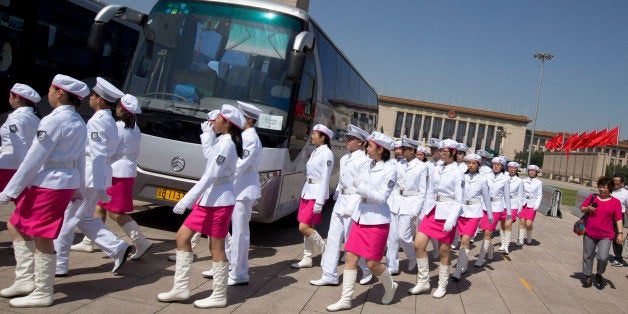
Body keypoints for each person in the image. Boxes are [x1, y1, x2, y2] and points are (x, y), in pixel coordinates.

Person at [0, 74, 89, 307]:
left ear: (59, 93)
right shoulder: (78, 121)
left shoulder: (54, 120)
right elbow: (80, 158)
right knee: (15, 225)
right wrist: (78, 188)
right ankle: (25, 280)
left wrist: (10, 190)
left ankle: (42, 291)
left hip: (50, 182)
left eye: (50, 89)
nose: (46, 94)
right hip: (58, 181)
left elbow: (33, 158)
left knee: (42, 237)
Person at [158, 104, 245, 308]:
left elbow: (210, 175)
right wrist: (207, 137)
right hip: (210, 199)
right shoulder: (223, 140)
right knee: (182, 237)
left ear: (227, 123)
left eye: (218, 119)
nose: (214, 121)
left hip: (219, 202)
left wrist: (186, 200)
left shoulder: (226, 144)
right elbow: (210, 160)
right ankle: (180, 288)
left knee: (216, 248)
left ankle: (219, 295)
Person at [53, 77, 131, 277]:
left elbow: (96, 155)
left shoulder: (98, 121)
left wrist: (98, 186)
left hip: (90, 175)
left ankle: (59, 264)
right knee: (84, 217)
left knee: (67, 218)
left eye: (94, 96)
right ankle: (117, 247)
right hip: (97, 174)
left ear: (101, 100)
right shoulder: (109, 121)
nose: (90, 98)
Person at [71, 94, 151, 260]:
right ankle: (88, 241)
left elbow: (109, 149)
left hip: (117, 172)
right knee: (100, 206)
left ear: (122, 108)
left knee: (115, 212)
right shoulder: (134, 127)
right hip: (125, 171)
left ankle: (141, 242)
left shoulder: (119, 126)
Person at [326, 131, 398, 311]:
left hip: (377, 220)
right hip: (360, 216)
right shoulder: (368, 165)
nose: (367, 148)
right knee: (350, 257)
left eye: (370, 146)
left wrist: (361, 187)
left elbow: (381, 197)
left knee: (372, 263)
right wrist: (351, 208)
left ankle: (390, 286)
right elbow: (360, 192)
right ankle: (346, 299)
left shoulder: (390, 170)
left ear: (381, 149)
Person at [309, 124, 373, 287]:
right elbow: (342, 179)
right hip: (341, 201)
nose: (347, 141)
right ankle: (329, 274)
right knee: (333, 239)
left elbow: (362, 187)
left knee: (352, 242)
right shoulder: (345, 158)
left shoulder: (365, 161)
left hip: (353, 202)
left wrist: (351, 207)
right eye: (347, 138)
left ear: (360, 142)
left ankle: (366, 269)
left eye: (351, 139)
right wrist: (337, 193)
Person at [409, 139, 463, 299]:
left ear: (453, 152)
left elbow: (459, 200)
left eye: (444, 150)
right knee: (418, 244)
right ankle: (424, 281)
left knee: (443, 251)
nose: (441, 153)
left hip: (447, 213)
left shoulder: (458, 172)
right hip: (432, 210)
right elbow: (430, 191)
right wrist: (424, 211)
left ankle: (442, 284)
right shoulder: (437, 167)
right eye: (440, 150)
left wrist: (451, 220)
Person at [224, 101, 263, 286]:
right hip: (237, 188)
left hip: (244, 190)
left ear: (248, 119)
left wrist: (221, 177)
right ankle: (229, 265)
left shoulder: (251, 138)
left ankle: (240, 273)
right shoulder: (243, 135)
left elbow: (239, 165)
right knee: (231, 230)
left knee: (240, 233)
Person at [291, 124, 334, 269]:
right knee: (309, 226)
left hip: (316, 194)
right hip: (308, 191)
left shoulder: (327, 154)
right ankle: (307, 257)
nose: (312, 136)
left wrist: (319, 202)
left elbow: (325, 178)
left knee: (303, 227)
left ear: (323, 138)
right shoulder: (316, 151)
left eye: (315, 134)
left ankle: (325, 250)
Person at [386, 137, 427, 275]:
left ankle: (412, 255)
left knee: (403, 236)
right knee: (392, 237)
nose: (401, 151)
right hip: (396, 201)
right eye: (400, 148)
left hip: (410, 203)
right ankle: (392, 266)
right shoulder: (398, 164)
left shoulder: (422, 166)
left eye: (404, 149)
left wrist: (417, 209)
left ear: (412, 150)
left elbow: (423, 191)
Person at [452, 153, 492, 280]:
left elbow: (486, 198)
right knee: (462, 239)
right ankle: (464, 265)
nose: (471, 165)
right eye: (469, 163)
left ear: (479, 165)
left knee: (465, 240)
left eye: (474, 163)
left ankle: (458, 270)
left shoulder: (482, 179)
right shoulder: (461, 177)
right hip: (462, 211)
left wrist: (490, 214)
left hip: (474, 212)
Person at [579, 176, 623, 289]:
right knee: (588, 255)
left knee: (603, 257)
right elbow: (582, 209)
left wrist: (620, 233)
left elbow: (618, 219)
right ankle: (588, 276)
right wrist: (588, 208)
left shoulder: (615, 202)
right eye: (600, 187)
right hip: (590, 232)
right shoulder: (592, 197)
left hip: (606, 235)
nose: (602, 189)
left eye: (605, 187)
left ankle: (599, 274)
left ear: (610, 189)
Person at [0, 83, 41, 197]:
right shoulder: (35, 118)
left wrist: (24, 172)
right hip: (20, 165)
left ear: (17, 98)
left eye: (10, 96)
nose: (9, 99)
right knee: (22, 204)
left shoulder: (16, 118)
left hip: (9, 166)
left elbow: (19, 144)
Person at [476, 156, 510, 266]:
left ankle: (481, 258)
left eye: (498, 165)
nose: (496, 166)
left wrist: (508, 212)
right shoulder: (486, 177)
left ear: (502, 166)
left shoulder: (505, 179)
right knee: (485, 231)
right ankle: (490, 251)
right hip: (485, 207)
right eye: (494, 164)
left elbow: (506, 196)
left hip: (496, 208)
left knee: (487, 232)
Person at [516, 165, 543, 246]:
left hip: (532, 204)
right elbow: (520, 192)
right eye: (530, 170)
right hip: (523, 203)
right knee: (521, 222)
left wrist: (536, 205)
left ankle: (529, 236)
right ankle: (520, 240)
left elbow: (539, 195)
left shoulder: (539, 183)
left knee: (528, 223)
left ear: (536, 173)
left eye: (533, 171)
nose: (531, 172)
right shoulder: (523, 181)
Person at [502, 161, 523, 254]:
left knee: (508, 224)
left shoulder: (519, 181)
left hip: (513, 204)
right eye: (510, 167)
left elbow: (520, 195)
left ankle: (506, 245)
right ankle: (503, 243)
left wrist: (520, 208)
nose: (511, 169)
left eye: (513, 168)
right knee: (503, 224)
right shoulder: (503, 178)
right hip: (503, 203)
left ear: (516, 169)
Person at [610, 175, 627, 266]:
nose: (615, 182)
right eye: (614, 180)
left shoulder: (625, 193)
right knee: (603, 234)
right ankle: (602, 252)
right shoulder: (610, 189)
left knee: (617, 237)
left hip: (619, 217)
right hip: (608, 215)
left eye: (617, 180)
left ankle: (618, 259)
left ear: (621, 183)